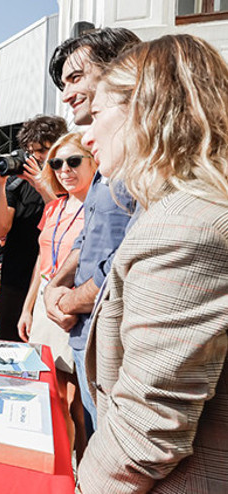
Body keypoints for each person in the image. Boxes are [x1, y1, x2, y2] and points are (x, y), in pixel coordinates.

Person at [76, 34, 228, 493]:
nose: (86, 135)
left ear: (142, 111)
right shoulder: (182, 211)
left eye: (96, 114)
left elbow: (146, 427)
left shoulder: (183, 228)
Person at [43, 27, 140, 438]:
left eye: (76, 78)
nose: (67, 95)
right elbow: (87, 240)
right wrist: (55, 286)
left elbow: (126, 260)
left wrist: (70, 299)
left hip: (118, 343)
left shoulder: (141, 159)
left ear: (121, 70)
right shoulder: (107, 162)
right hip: (85, 334)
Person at [16, 132, 95, 463]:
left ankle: (84, 471)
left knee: (81, 405)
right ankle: (61, 468)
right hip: (46, 305)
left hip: (78, 307)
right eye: (57, 164)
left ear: (93, 162)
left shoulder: (101, 209)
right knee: (52, 396)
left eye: (73, 161)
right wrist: (27, 308)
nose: (64, 170)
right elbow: (41, 259)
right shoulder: (54, 208)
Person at [0, 115, 66, 341]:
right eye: (31, 151)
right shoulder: (18, 184)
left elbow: (65, 223)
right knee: (7, 345)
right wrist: (0, 186)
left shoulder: (68, 179)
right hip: (15, 276)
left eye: (42, 150)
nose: (36, 157)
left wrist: (42, 186)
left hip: (52, 279)